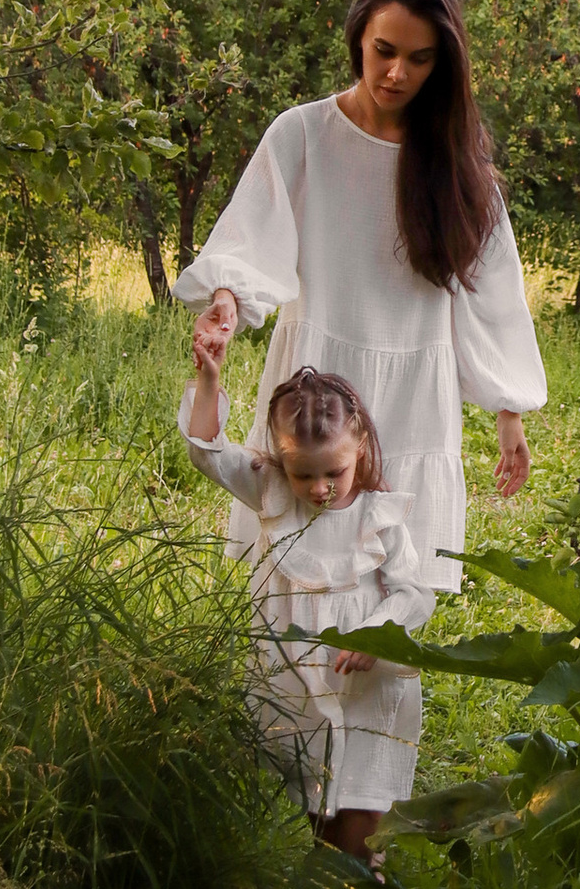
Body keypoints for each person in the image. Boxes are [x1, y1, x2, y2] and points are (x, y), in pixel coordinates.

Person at [178, 0, 546, 613]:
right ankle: (282, 714)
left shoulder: (460, 169)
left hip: (411, 399)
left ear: (444, 65)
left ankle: (377, 717)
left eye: (419, 58)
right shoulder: (303, 135)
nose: (397, 73)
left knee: (391, 596)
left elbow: (493, 292)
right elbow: (250, 236)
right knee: (294, 583)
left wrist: (507, 411)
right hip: (315, 389)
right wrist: (227, 302)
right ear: (358, 38)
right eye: (384, 51)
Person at [181, 346, 433, 862]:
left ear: (359, 444)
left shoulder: (377, 516)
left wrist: (376, 632)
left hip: (364, 672)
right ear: (279, 458)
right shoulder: (272, 493)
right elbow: (207, 452)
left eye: (333, 473)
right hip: (296, 672)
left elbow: (413, 593)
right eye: (303, 475)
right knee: (318, 786)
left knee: (363, 787)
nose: (318, 489)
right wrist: (209, 379)